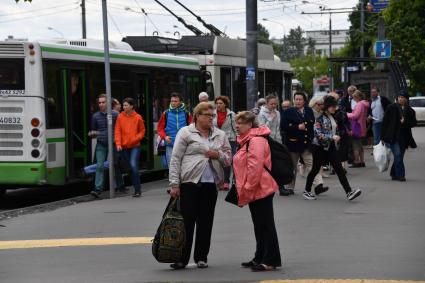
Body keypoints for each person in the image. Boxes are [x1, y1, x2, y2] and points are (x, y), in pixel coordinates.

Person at [168, 102, 231, 270]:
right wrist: (174, 184)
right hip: (190, 183)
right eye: (207, 115)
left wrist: (217, 154)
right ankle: (182, 258)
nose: (211, 118)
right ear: (197, 116)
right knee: (187, 221)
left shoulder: (220, 134)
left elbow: (228, 158)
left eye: (213, 116)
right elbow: (175, 159)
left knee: (206, 222)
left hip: (210, 184)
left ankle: (201, 257)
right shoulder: (186, 132)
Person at [233, 111, 282, 272]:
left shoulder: (256, 141)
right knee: (259, 225)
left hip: (261, 188)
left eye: (240, 123)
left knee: (266, 224)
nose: (237, 126)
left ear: (249, 124)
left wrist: (248, 187)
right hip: (256, 189)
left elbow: (255, 167)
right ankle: (260, 256)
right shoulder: (247, 140)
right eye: (236, 123)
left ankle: (271, 260)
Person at [303, 96, 362, 201]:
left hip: (330, 147)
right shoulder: (320, 118)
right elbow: (318, 133)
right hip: (319, 147)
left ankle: (349, 192)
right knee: (315, 169)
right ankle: (307, 191)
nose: (335, 108)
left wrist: (336, 136)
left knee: (339, 169)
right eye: (332, 106)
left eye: (335, 106)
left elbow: (338, 125)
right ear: (327, 107)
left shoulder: (333, 116)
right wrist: (332, 137)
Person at [281, 92, 326, 196]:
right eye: (296, 99)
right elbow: (283, 127)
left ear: (304, 101)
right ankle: (290, 187)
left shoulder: (309, 110)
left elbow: (311, 124)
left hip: (306, 143)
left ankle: (319, 185)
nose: (297, 101)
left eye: (300, 99)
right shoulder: (288, 112)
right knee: (292, 166)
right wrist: (297, 127)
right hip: (293, 144)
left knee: (312, 164)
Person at [89, 94, 124, 198]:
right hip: (101, 143)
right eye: (99, 103)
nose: (101, 104)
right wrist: (92, 133)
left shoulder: (115, 115)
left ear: (108, 103)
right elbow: (94, 130)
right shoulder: (95, 116)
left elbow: (121, 129)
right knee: (99, 165)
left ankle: (120, 185)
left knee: (115, 164)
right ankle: (97, 189)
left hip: (113, 143)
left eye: (103, 102)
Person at [381, 90, 417, 182]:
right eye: (399, 97)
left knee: (400, 157)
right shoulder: (391, 108)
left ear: (406, 99)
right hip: (393, 137)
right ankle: (401, 175)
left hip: (404, 138)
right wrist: (382, 137)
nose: (400, 99)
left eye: (402, 97)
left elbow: (414, 123)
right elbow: (385, 122)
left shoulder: (410, 110)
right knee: (397, 155)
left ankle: (393, 173)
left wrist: (405, 122)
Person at [115, 98, 146, 197]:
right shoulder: (120, 117)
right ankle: (136, 187)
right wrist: (118, 144)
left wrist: (135, 139)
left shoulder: (138, 117)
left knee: (133, 166)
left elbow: (142, 131)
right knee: (129, 169)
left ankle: (137, 190)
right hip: (123, 147)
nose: (123, 107)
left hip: (135, 146)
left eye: (126, 105)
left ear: (132, 106)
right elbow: (117, 131)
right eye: (123, 105)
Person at [157, 92, 192, 168]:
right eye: (172, 101)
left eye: (175, 101)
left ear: (180, 102)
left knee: (184, 166)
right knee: (172, 167)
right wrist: (165, 137)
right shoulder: (166, 113)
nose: (173, 103)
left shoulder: (186, 113)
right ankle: (174, 180)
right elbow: (160, 128)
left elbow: (192, 128)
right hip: (170, 143)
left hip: (183, 144)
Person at [213, 96, 237, 190]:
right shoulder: (213, 114)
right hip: (216, 139)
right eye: (217, 103)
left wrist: (238, 138)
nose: (218, 105)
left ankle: (226, 181)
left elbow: (235, 127)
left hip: (229, 139)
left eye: (220, 103)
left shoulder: (231, 114)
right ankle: (219, 180)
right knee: (218, 160)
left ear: (225, 104)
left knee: (228, 160)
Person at [328, 92, 351, 172]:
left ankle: (342, 167)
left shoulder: (341, 108)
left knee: (342, 150)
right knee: (333, 150)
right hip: (332, 132)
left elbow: (345, 119)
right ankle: (334, 167)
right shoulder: (327, 110)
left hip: (341, 132)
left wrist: (349, 129)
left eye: (334, 99)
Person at [347, 90, 370, 168]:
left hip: (356, 126)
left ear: (358, 97)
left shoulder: (359, 104)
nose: (353, 99)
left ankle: (357, 161)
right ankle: (362, 161)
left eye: (354, 97)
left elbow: (355, 116)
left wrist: (347, 114)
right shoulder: (364, 104)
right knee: (360, 145)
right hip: (362, 126)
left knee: (355, 145)